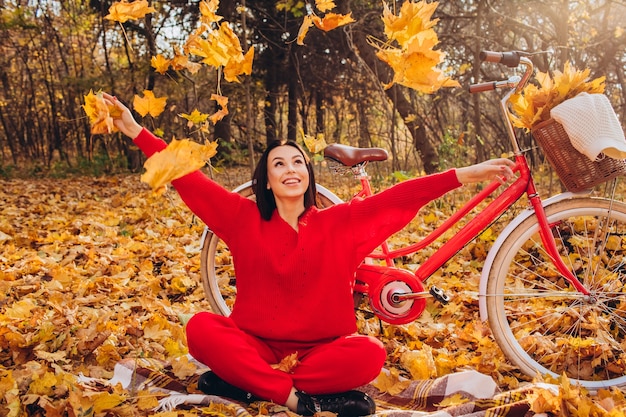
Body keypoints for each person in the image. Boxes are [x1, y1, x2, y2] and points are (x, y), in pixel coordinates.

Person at [103, 93, 516, 416]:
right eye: (278, 163)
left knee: (370, 353)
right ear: (266, 179)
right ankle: (299, 401)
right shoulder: (241, 217)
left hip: (322, 351)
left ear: (308, 174)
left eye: (297, 161)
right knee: (201, 328)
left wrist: (466, 174)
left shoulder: (340, 222)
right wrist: (136, 130)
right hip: (256, 343)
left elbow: (398, 197)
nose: (290, 168)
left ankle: (246, 384)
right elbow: (186, 177)